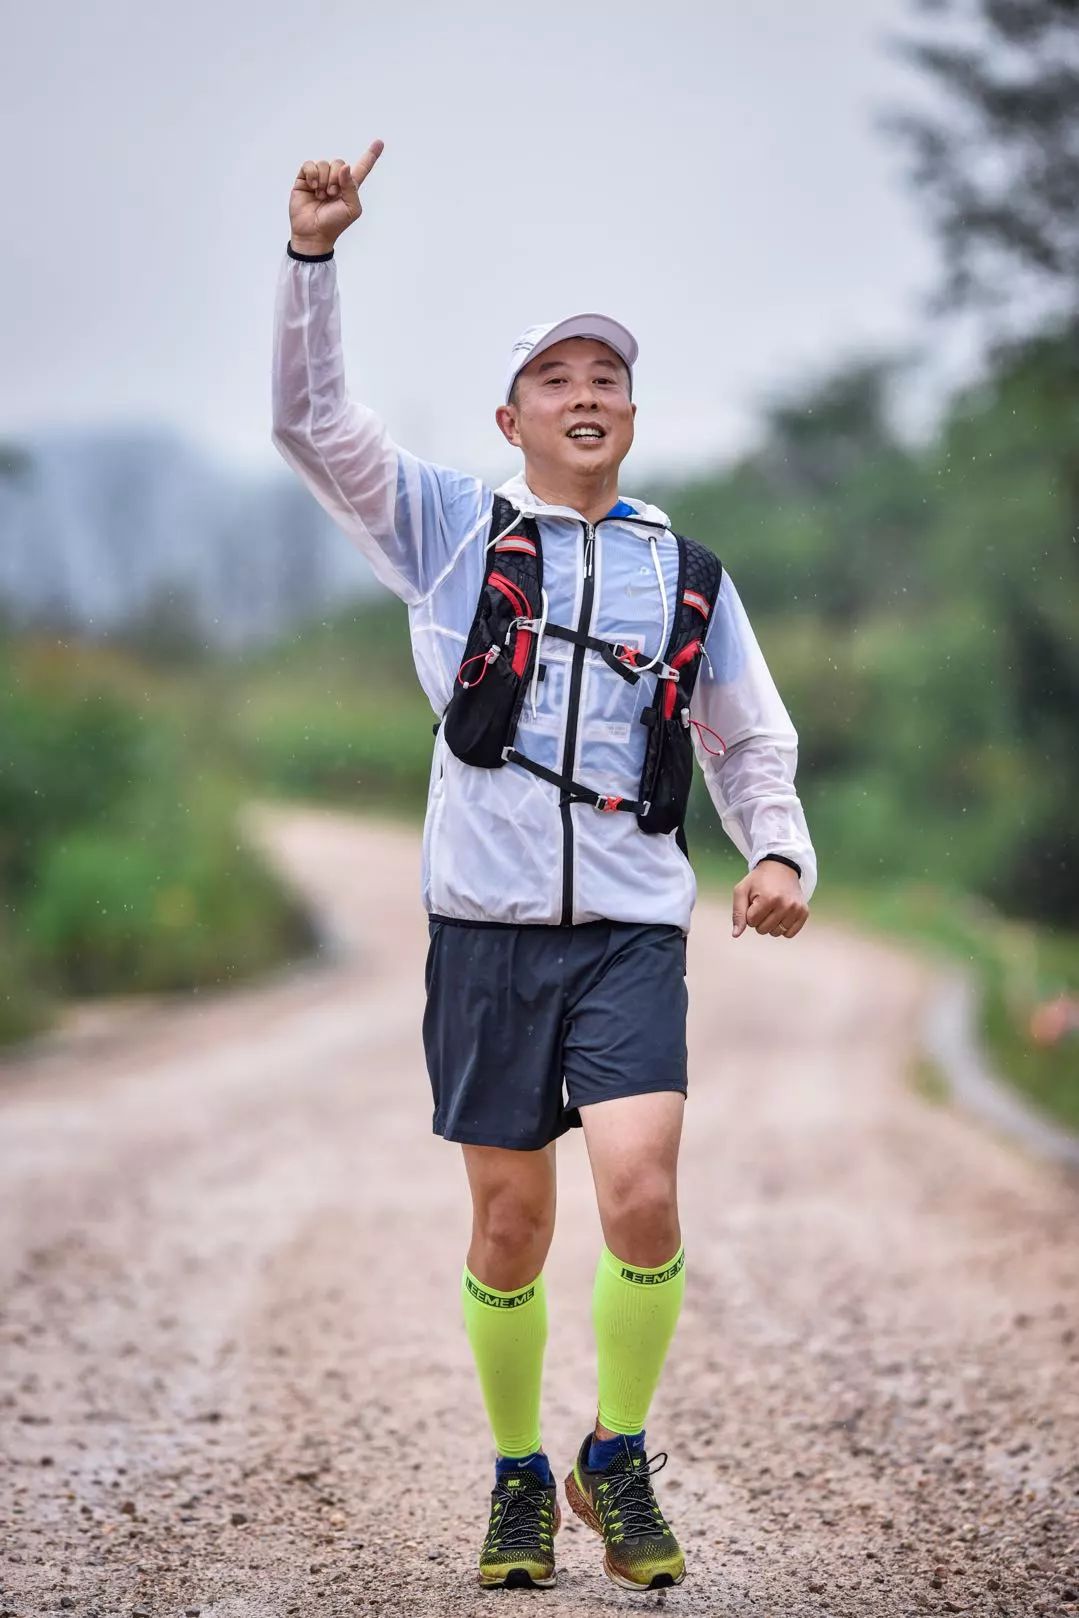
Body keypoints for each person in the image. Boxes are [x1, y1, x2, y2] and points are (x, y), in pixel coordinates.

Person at [271, 140, 817, 1593]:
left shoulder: (686, 572)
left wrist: (778, 848)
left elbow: (745, 733)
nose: (589, 394)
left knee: (642, 1189)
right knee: (510, 1227)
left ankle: (615, 1450)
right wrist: (313, 258)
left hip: (631, 930)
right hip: (487, 934)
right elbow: (313, 424)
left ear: (632, 414)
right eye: (560, 377)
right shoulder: (450, 535)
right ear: (510, 414)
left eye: (610, 378)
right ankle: (519, 1470)